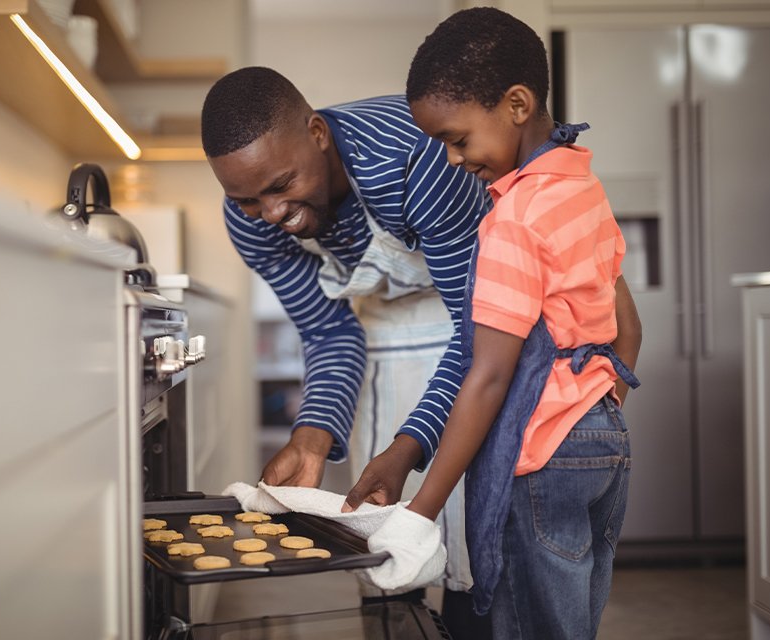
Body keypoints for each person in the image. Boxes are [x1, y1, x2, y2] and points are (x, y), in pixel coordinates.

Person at [345, 8, 643, 640]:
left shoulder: (512, 220)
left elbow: (488, 376)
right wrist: (595, 406)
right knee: (573, 618)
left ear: (515, 104)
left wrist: (421, 511)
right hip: (604, 444)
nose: (453, 160)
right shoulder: (583, 187)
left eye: (457, 139)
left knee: (529, 622)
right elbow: (627, 324)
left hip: (540, 455)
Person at [201, 67, 492, 636]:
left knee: (474, 559)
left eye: (282, 186)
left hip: (481, 339)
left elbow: (477, 329)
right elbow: (331, 333)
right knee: (387, 570)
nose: (272, 215)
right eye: (248, 199)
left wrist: (410, 446)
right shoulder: (249, 218)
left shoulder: (414, 155)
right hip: (386, 344)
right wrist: (311, 437)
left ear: (316, 133)